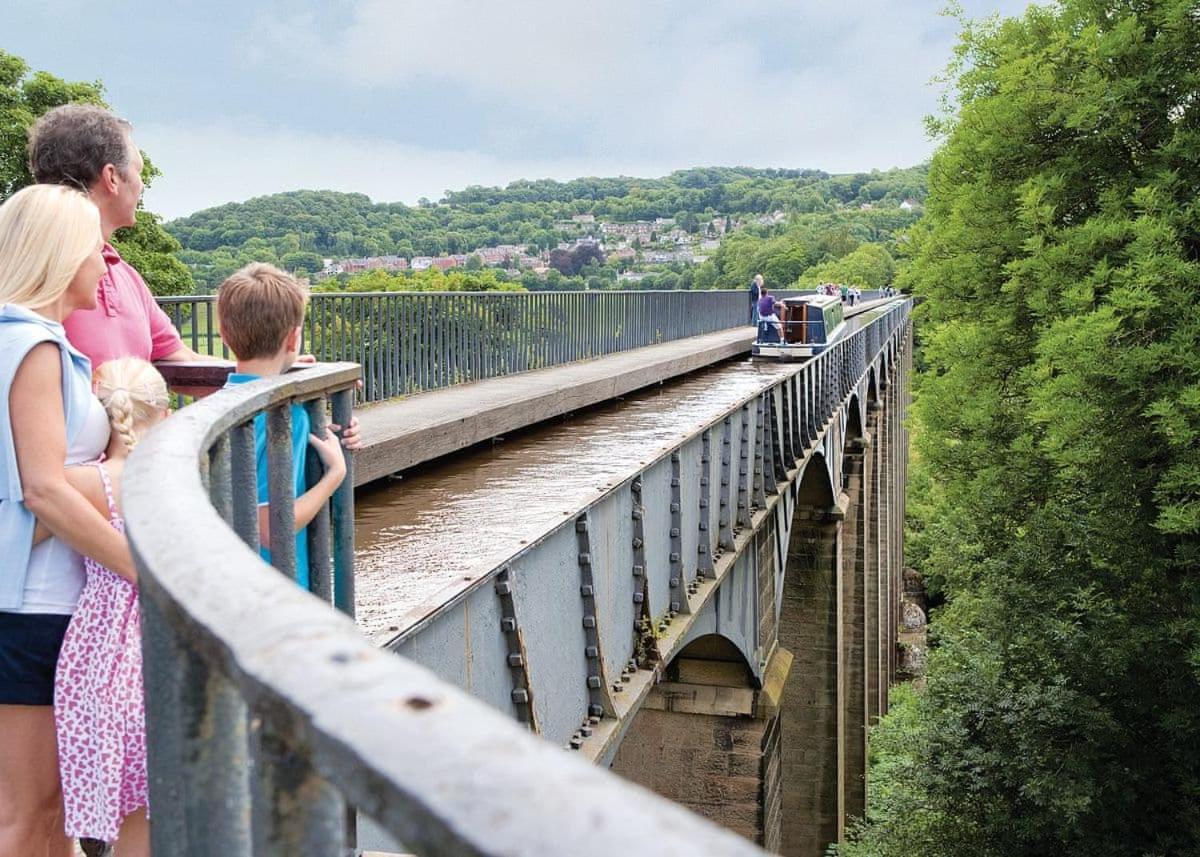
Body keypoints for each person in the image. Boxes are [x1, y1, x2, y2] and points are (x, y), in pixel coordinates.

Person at [28, 104, 361, 454]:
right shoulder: (31, 277)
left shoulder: (121, 274)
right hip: (77, 490)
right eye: (138, 172)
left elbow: (183, 363)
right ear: (112, 178)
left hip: (124, 480)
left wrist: (274, 368)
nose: (141, 185)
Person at [0, 185, 135, 857]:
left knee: (50, 812)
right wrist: (140, 567)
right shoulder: (32, 346)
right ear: (59, 255)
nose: (105, 261)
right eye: (94, 248)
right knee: (31, 814)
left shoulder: (29, 341)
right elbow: (42, 491)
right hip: (31, 608)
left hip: (41, 605)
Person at [50, 358, 170, 857]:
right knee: (151, 807)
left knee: (109, 806)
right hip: (159, 649)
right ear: (164, 415)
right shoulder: (177, 482)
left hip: (98, 654)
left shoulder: (83, 483)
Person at [216, 263, 348, 589]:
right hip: (272, 594)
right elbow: (271, 529)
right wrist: (334, 477)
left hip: (224, 586)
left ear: (224, 333)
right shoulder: (286, 418)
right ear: (293, 339)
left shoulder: (215, 406)